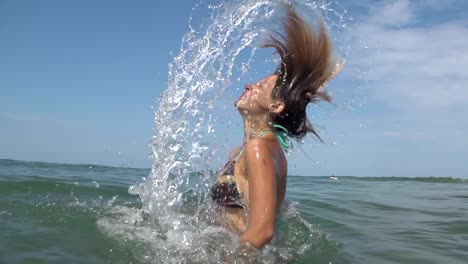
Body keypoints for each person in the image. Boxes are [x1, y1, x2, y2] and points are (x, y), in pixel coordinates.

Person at [210, 5, 343, 249]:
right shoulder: (243, 151)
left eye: (261, 86)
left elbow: (262, 230)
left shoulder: (259, 148)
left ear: (276, 106)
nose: (250, 85)